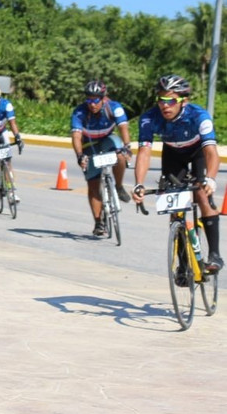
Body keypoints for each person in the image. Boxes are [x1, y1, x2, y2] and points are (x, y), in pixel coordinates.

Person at [131, 74, 222, 272]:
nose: (165, 106)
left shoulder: (199, 116)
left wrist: (211, 179)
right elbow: (144, 152)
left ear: (184, 100)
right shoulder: (149, 117)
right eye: (161, 100)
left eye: (171, 100)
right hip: (172, 153)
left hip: (198, 151)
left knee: (201, 194)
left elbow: (211, 153)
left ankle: (214, 254)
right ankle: (182, 263)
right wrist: (139, 183)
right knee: (174, 206)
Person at [71, 79, 133, 237]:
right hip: (89, 144)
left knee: (119, 154)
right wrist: (79, 155)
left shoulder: (114, 108)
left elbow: (123, 127)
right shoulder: (80, 112)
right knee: (93, 184)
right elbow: (76, 136)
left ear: (104, 98)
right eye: (89, 100)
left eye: (96, 100)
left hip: (106, 140)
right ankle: (99, 222)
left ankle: (118, 186)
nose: (92, 104)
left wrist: (127, 146)